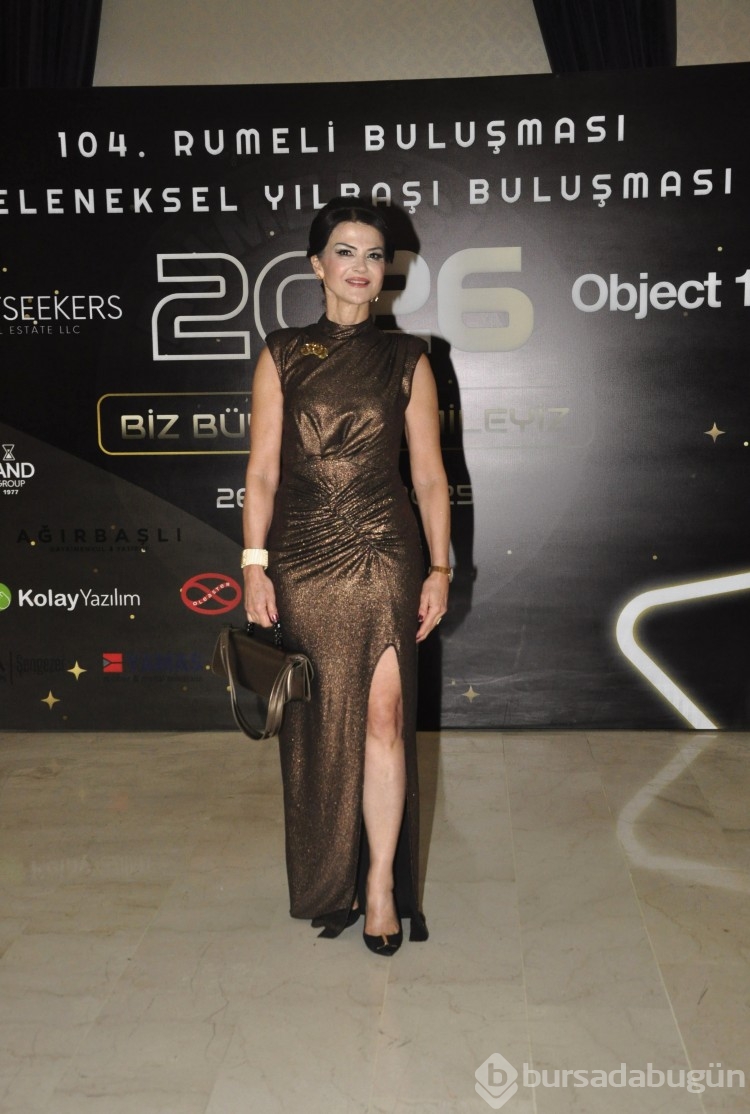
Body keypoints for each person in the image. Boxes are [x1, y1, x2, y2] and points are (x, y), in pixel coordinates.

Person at [241, 197, 450, 955]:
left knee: (385, 719)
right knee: (320, 725)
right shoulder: (282, 352)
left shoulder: (409, 358)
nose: (361, 267)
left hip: (385, 550)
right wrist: (254, 563)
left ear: (386, 269)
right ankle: (333, 873)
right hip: (302, 557)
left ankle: (381, 884)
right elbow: (262, 473)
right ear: (316, 264)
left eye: (373, 254)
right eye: (345, 251)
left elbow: (429, 477)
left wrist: (440, 566)